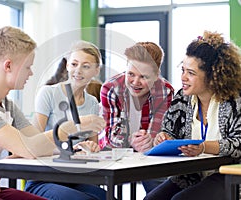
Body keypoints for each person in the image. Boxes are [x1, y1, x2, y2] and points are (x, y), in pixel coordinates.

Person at [0, 26, 105, 200]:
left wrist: (72, 148)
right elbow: (29, 148)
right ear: (8, 66)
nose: (31, 73)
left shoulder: (8, 105)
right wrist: (73, 127)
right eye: (28, 67)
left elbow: (39, 143)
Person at [144, 31, 241, 200]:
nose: (183, 77)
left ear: (213, 76)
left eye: (191, 73)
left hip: (229, 176)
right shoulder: (183, 97)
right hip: (193, 174)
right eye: (182, 70)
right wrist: (164, 136)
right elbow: (169, 129)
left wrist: (204, 147)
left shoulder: (234, 100)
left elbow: (238, 143)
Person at [25, 40, 107, 200]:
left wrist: (90, 147)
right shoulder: (48, 93)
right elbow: (34, 143)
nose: (78, 71)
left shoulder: (92, 103)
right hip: (44, 178)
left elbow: (94, 147)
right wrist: (69, 149)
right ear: (67, 65)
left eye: (86, 66)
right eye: (74, 64)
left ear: (96, 70)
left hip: (77, 177)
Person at [99, 42, 174, 192]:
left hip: (147, 154)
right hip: (112, 151)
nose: (135, 82)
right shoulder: (110, 89)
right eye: (131, 74)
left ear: (156, 74)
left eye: (144, 77)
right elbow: (109, 136)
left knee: (157, 187)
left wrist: (149, 140)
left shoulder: (165, 91)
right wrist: (130, 140)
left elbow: (155, 134)